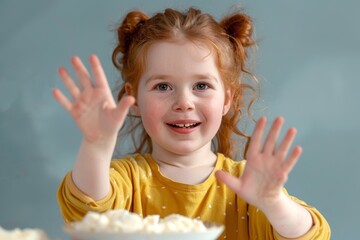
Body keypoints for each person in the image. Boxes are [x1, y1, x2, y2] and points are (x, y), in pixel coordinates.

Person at [54, 7, 331, 239]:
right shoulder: (128, 182)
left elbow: (312, 235)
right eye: (163, 86)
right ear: (133, 99)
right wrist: (97, 145)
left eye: (201, 85)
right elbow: (87, 209)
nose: (183, 102)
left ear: (227, 100)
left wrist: (274, 204)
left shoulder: (246, 187)